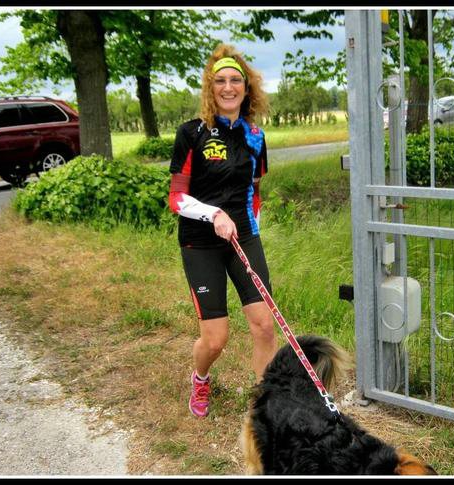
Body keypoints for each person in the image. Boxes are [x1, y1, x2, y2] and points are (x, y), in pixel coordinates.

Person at [168, 44, 278, 418]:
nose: (228, 87)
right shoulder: (192, 133)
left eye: (235, 81)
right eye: (220, 81)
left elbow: (255, 189)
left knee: (264, 326)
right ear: (210, 88)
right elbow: (176, 198)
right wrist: (214, 214)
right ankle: (200, 378)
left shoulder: (256, 136)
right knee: (215, 340)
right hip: (200, 243)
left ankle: (265, 405)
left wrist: (251, 226)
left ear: (247, 89)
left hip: (242, 238)